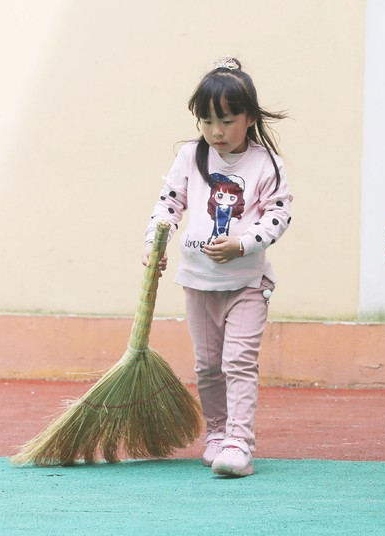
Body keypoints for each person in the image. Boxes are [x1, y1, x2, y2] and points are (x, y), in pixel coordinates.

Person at [143, 57, 292, 478]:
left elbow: (278, 215)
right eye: (206, 121)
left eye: (226, 121)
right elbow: (169, 204)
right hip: (198, 283)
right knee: (208, 365)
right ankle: (217, 433)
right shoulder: (191, 157)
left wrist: (243, 244)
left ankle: (239, 442)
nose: (216, 131)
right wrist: (155, 243)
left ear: (249, 117)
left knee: (238, 363)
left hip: (246, 283)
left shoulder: (267, 164)